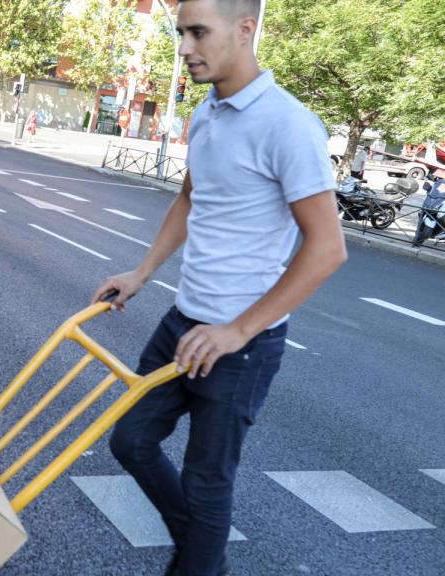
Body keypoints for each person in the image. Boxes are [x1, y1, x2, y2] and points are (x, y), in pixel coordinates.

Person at [90, 1, 347, 575]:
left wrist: (236, 331)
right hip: (183, 322)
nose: (184, 48)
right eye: (181, 32)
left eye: (198, 33)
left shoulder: (288, 124)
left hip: (241, 345)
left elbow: (328, 248)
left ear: (245, 30)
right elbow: (190, 197)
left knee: (207, 485)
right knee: (131, 441)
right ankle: (205, 557)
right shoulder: (208, 112)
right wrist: (142, 272)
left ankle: (199, 560)